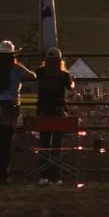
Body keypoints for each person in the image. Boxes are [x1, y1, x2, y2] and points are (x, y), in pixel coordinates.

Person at [0, 39, 37, 185]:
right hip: (9, 107)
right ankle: (2, 175)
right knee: (5, 142)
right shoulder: (16, 68)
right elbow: (32, 76)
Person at [33, 47, 75, 184]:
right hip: (58, 112)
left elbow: (31, 78)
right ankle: (55, 177)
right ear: (60, 60)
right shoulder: (64, 75)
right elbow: (71, 87)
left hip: (43, 112)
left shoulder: (39, 72)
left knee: (44, 144)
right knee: (57, 145)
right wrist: (73, 81)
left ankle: (43, 176)